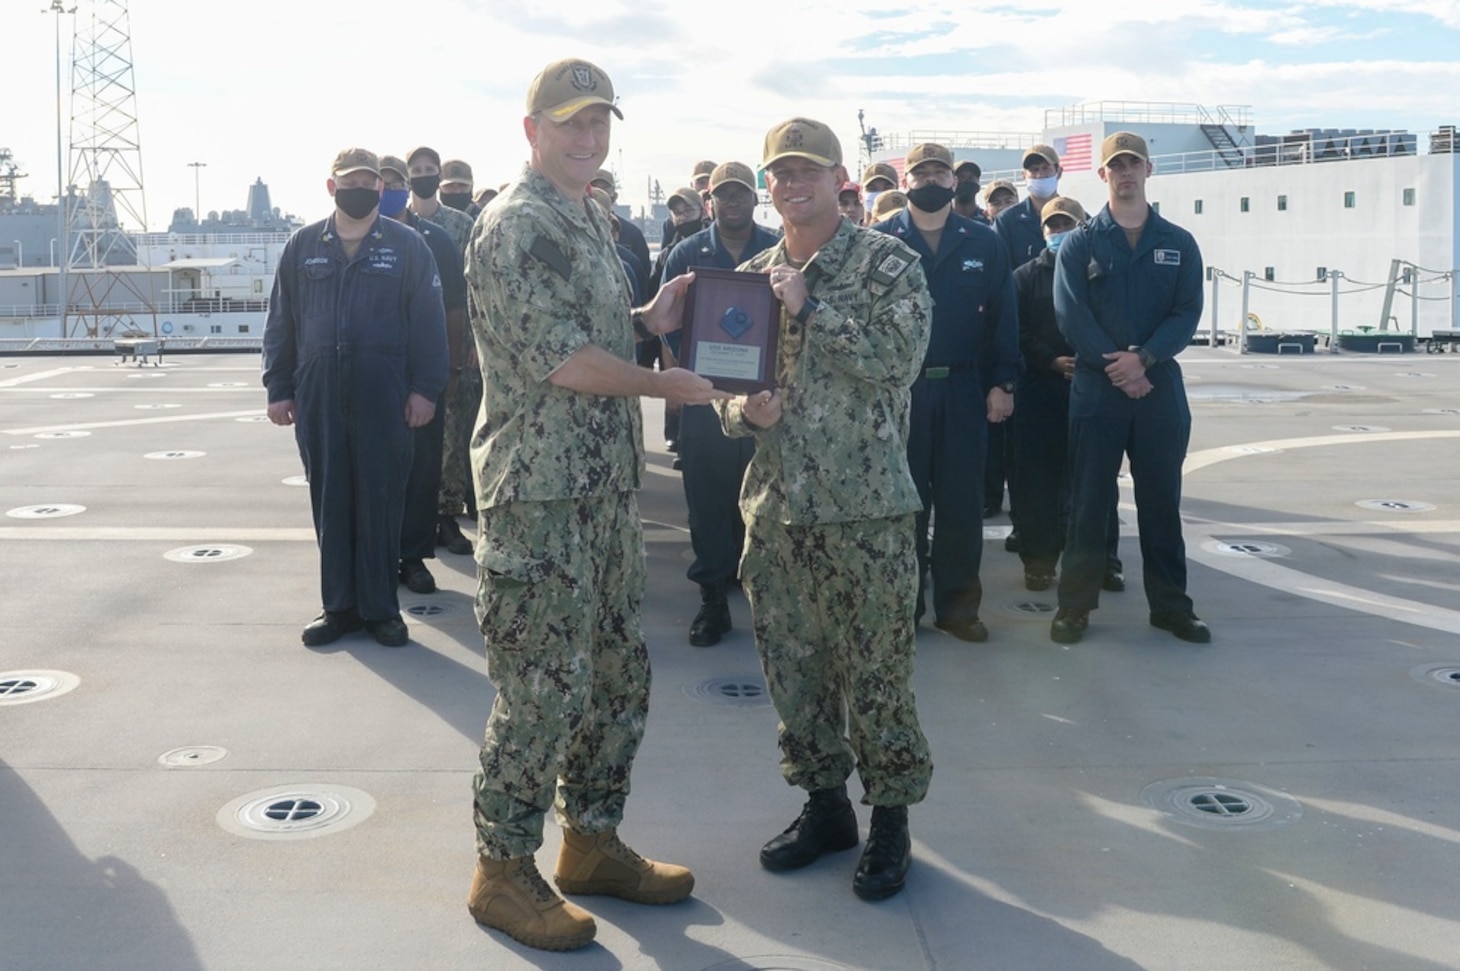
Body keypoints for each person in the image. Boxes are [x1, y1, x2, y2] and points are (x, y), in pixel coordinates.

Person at [464, 57, 724, 952]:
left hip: (602, 491)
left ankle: (590, 841)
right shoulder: (513, 224)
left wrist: (652, 313)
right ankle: (501, 868)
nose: (587, 136)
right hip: (538, 498)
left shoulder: (588, 216)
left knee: (616, 674)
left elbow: (596, 331)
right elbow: (562, 360)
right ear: (531, 130)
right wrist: (664, 381)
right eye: (569, 121)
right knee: (542, 688)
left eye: (599, 120)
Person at [717, 117, 933, 902]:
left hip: (865, 512)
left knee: (876, 676)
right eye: (780, 172)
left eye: (806, 170)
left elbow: (898, 362)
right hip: (777, 515)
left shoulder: (887, 264)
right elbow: (723, 394)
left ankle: (891, 820)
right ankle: (825, 807)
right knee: (794, 674)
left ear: (839, 177)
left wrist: (811, 309)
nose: (790, 184)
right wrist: (749, 417)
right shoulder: (749, 276)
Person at [262, 147, 448, 648]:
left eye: (370, 182)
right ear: (332, 187)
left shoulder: (407, 246)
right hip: (319, 394)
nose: (360, 189)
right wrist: (278, 388)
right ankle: (338, 607)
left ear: (381, 189)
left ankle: (381, 610)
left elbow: (430, 325)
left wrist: (425, 390)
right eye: (351, 181)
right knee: (331, 501)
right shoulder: (303, 246)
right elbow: (282, 322)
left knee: (381, 500)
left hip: (384, 394)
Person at [1050, 132, 1209, 645]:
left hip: (1158, 387)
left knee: (1161, 502)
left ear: (1148, 169)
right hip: (1098, 390)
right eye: (1115, 165)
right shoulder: (1081, 242)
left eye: (1133, 164)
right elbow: (1071, 314)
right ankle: (1074, 606)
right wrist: (1119, 367)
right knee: (1089, 503)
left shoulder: (1178, 243)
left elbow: (1187, 313)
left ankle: (1170, 607)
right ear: (1102, 175)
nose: (1125, 173)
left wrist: (1144, 359)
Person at [872, 142, 1020, 642]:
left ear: (954, 182)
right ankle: (902, 608)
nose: (931, 180)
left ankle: (959, 608)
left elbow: (1005, 318)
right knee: (901, 506)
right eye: (922, 173)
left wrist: (1003, 383)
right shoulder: (878, 242)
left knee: (960, 504)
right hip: (901, 392)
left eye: (940, 172)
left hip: (963, 388)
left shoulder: (983, 241)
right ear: (905, 182)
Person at [659, 161, 780, 646]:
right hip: (702, 393)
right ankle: (712, 597)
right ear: (710, 203)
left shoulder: (776, 248)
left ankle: (761, 591)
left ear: (755, 198)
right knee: (707, 497)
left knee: (762, 497)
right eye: (723, 196)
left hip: (761, 397)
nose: (732, 203)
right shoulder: (687, 253)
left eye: (741, 194)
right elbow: (668, 321)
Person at [1010, 196, 1124, 593]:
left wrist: (1090, 358)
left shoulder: (1100, 274)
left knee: (1096, 481)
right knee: (1036, 482)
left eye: (1067, 225)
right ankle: (1038, 561)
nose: (1059, 233)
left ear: (1082, 227)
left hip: (1094, 386)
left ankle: (1104, 560)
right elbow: (1015, 331)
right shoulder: (1023, 277)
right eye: (1052, 226)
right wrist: (1051, 361)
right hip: (1040, 390)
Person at [377, 154, 470, 595]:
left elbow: (455, 307)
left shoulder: (437, 239)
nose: (392, 187)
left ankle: (413, 556)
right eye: (386, 180)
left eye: (397, 181)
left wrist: (449, 368)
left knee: (422, 468)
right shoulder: (346, 238)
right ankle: (375, 556)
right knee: (374, 471)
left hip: (422, 374)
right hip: (370, 376)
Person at [401, 146, 480, 560]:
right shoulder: (398, 224)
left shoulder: (460, 225)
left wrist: (472, 343)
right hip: (410, 348)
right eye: (418, 171)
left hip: (455, 345)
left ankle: (447, 515)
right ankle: (415, 516)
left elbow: (476, 287)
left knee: (453, 436)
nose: (425, 176)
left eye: (431, 170)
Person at [996, 144, 1063, 268]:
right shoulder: (1007, 221)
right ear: (1024, 176)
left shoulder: (1077, 217)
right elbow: (1000, 269)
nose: (1040, 175)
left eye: (1046, 168)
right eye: (1034, 169)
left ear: (1059, 172)